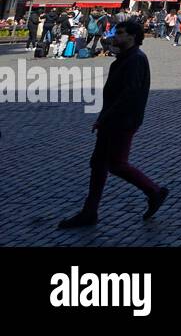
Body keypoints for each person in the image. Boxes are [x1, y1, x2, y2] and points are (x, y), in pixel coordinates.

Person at [58, 16, 168, 229]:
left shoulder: (135, 59)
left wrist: (106, 117)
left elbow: (130, 93)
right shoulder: (127, 56)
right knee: (98, 164)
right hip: (114, 118)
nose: (114, 36)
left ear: (132, 37)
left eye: (119, 33)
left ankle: (154, 191)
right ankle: (89, 211)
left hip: (122, 120)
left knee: (117, 164)